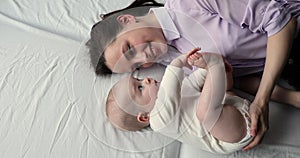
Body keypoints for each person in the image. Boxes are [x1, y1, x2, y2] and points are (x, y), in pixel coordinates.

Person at [87, 0, 300, 151]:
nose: (145, 58)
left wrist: (262, 100)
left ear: (126, 20)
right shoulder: (171, 61)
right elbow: (240, 76)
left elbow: (281, 22)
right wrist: (290, 98)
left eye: (130, 49)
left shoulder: (189, 4)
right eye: (137, 65)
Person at [106, 50, 254, 154]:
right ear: (144, 116)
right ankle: (216, 66)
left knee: (213, 87)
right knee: (204, 112)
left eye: (139, 79)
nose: (146, 79)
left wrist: (204, 68)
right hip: (230, 133)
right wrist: (176, 65)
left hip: (231, 104)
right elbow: (168, 95)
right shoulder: (159, 121)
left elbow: (194, 81)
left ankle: (220, 67)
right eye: (140, 88)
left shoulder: (179, 89)